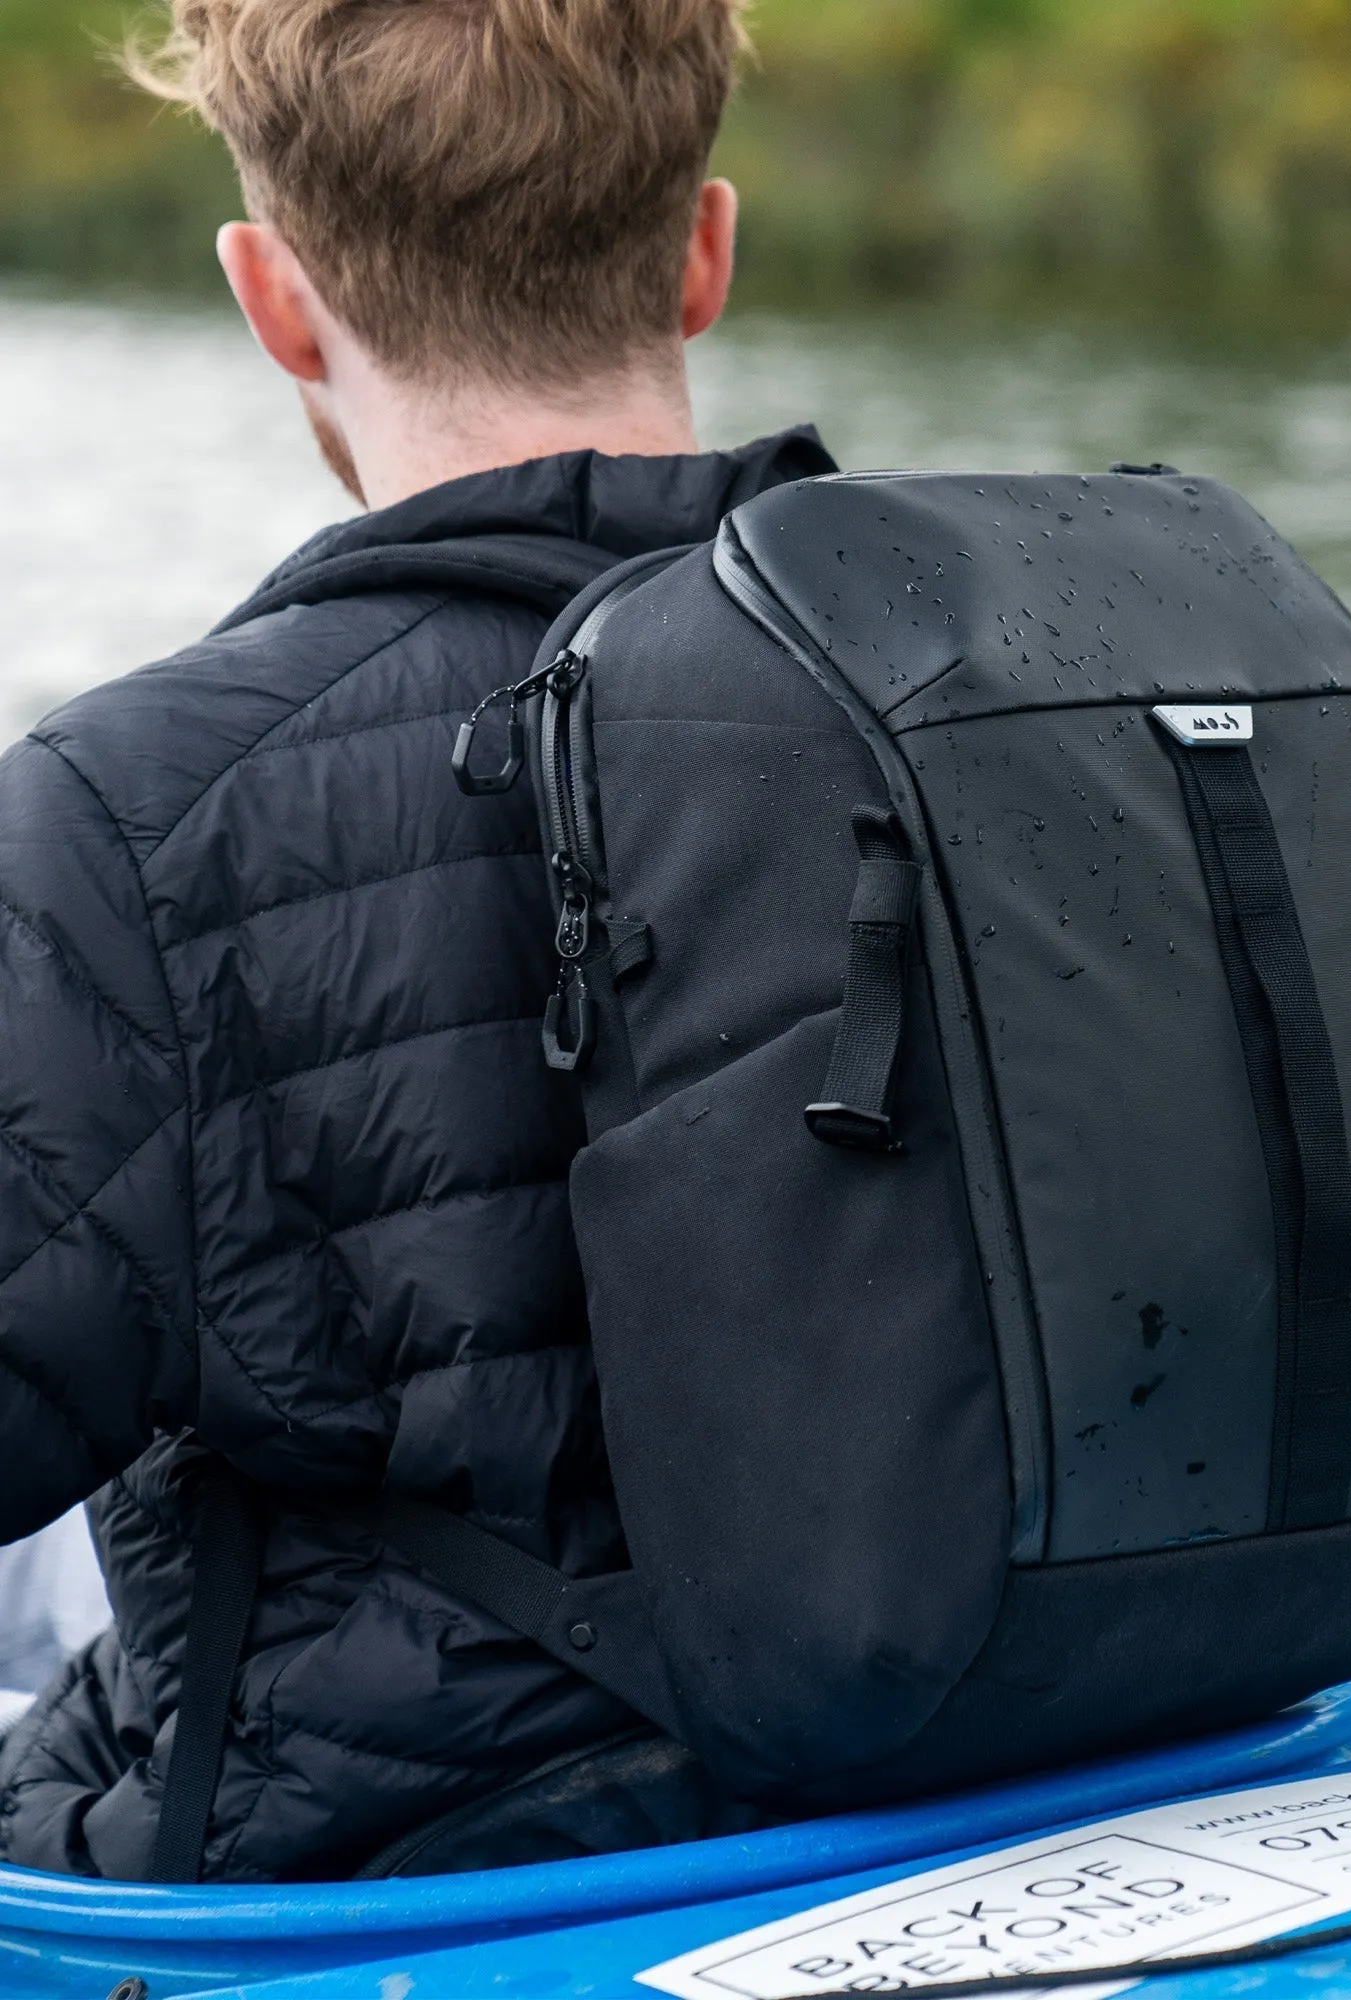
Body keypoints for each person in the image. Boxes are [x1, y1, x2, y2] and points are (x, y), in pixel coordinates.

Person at [0, 0, 830, 1882]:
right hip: (994, 1713)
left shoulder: (125, 816)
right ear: (703, 252)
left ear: (275, 300)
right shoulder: (1009, 685)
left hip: (390, 1853)